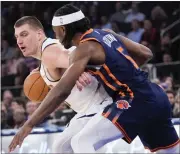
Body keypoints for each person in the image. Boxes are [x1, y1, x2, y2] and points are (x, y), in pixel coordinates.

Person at [9, 5, 179, 153]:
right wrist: (124, 70)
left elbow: (61, 91)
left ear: (64, 30)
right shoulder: (107, 34)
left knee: (81, 142)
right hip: (156, 95)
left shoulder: (83, 50)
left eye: (56, 32)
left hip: (135, 100)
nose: (57, 37)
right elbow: (146, 53)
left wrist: (29, 124)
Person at [10, 16, 112, 153]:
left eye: (24, 34)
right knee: (60, 147)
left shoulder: (49, 52)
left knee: (80, 143)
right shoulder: (45, 59)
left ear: (39, 34)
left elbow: (68, 56)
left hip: (101, 105)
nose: (19, 41)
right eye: (17, 37)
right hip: (87, 110)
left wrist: (77, 69)